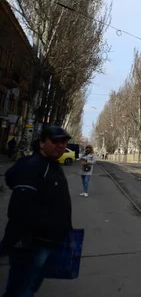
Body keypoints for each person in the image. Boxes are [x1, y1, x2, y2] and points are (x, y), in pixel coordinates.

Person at [0, 125, 73, 296]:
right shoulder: (34, 166)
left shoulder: (50, 164)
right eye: (55, 141)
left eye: (64, 142)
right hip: (32, 245)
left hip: (48, 241)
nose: (60, 146)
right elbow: (19, 210)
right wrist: (20, 242)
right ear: (42, 143)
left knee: (28, 287)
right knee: (21, 291)